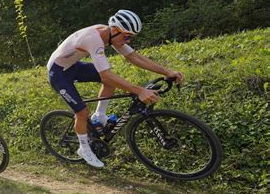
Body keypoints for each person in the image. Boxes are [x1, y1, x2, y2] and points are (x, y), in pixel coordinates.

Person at [46, 10, 184, 168]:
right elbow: (105, 75)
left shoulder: (110, 35)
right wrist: (139, 90)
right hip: (57, 72)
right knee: (82, 112)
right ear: (115, 30)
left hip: (73, 66)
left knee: (112, 81)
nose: (129, 41)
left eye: (131, 37)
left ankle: (99, 116)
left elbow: (134, 57)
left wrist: (167, 72)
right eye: (127, 36)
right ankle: (84, 148)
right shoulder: (94, 39)